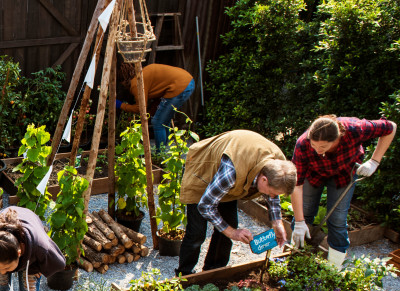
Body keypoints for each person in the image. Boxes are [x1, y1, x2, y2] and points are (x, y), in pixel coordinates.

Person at [176, 130, 297, 276]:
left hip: (227, 184)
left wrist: (277, 223)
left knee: (228, 228)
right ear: (264, 179)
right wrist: (233, 232)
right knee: (197, 233)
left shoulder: (278, 165)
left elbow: (273, 193)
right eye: (271, 193)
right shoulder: (232, 171)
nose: (272, 197)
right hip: (202, 174)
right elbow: (206, 206)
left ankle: (213, 272)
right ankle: (184, 275)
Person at [290, 115, 396, 268]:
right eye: (314, 145)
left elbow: (390, 127)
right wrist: (299, 222)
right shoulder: (303, 144)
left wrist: (375, 161)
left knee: (338, 220)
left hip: (343, 174)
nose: (317, 150)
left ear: (337, 139)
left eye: (323, 147)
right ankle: (296, 257)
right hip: (312, 174)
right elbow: (296, 185)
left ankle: (334, 268)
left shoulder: (355, 129)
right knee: (304, 212)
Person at [116, 63, 195, 150]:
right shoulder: (144, 74)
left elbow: (140, 108)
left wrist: (121, 105)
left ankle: (160, 154)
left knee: (158, 123)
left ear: (123, 80)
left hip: (179, 86)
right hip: (187, 80)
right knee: (164, 121)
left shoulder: (136, 83)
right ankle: (163, 150)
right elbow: (155, 102)